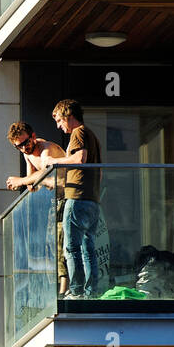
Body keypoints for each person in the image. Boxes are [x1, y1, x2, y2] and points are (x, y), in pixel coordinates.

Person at [35, 100, 102, 298]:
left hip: (77, 197)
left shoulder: (78, 132)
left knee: (71, 247)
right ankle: (90, 292)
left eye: (58, 120)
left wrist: (52, 162)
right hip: (92, 198)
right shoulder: (92, 135)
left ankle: (76, 291)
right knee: (87, 247)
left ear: (68, 115)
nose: (58, 125)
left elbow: (79, 159)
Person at [6, 122, 68, 295]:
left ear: (33, 136)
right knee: (51, 245)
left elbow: (46, 172)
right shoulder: (27, 154)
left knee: (62, 242)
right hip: (54, 201)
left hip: (68, 196)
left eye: (26, 143)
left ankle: (65, 290)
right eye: (19, 146)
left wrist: (22, 181)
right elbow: (32, 181)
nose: (25, 148)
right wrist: (28, 183)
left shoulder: (46, 149)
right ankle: (57, 289)